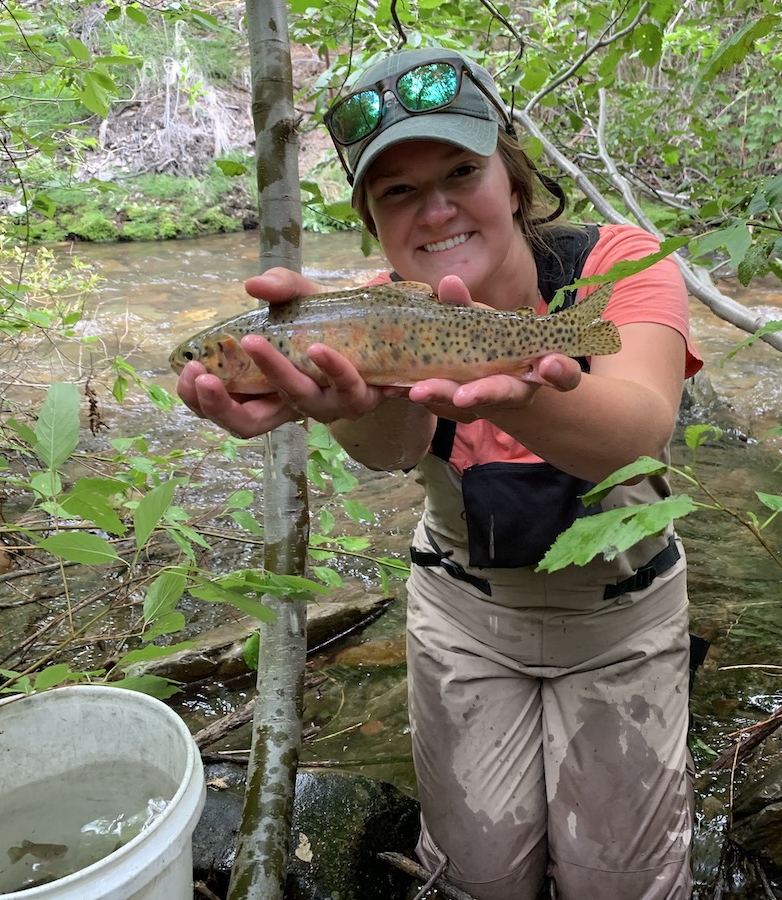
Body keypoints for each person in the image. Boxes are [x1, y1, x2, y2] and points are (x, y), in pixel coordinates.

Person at [177, 46, 703, 900]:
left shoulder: (620, 263)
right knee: (475, 881)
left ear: (514, 179)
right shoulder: (380, 311)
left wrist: (506, 394)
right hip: (463, 618)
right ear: (375, 224)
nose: (437, 209)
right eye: (398, 191)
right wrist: (343, 399)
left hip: (624, 621)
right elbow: (390, 449)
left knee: (621, 886)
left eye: (462, 170)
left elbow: (638, 433)